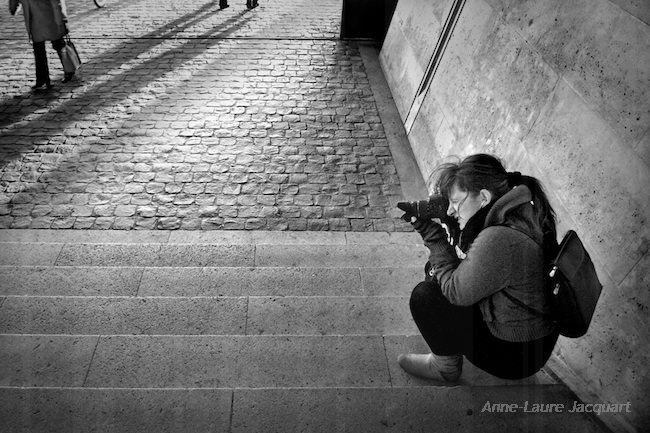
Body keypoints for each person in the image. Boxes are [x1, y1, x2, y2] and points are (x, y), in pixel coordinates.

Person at [396, 154, 559, 382]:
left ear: (483, 197)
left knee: (427, 296)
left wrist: (433, 236)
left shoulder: (500, 239)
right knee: (437, 271)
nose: (451, 211)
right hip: (534, 339)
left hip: (515, 356)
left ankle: (444, 367)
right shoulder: (519, 209)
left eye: (455, 202)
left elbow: (455, 292)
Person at [9, 0, 75, 90]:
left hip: (48, 16)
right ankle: (46, 77)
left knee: (54, 46)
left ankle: (49, 76)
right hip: (38, 18)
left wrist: (61, 19)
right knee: (44, 48)